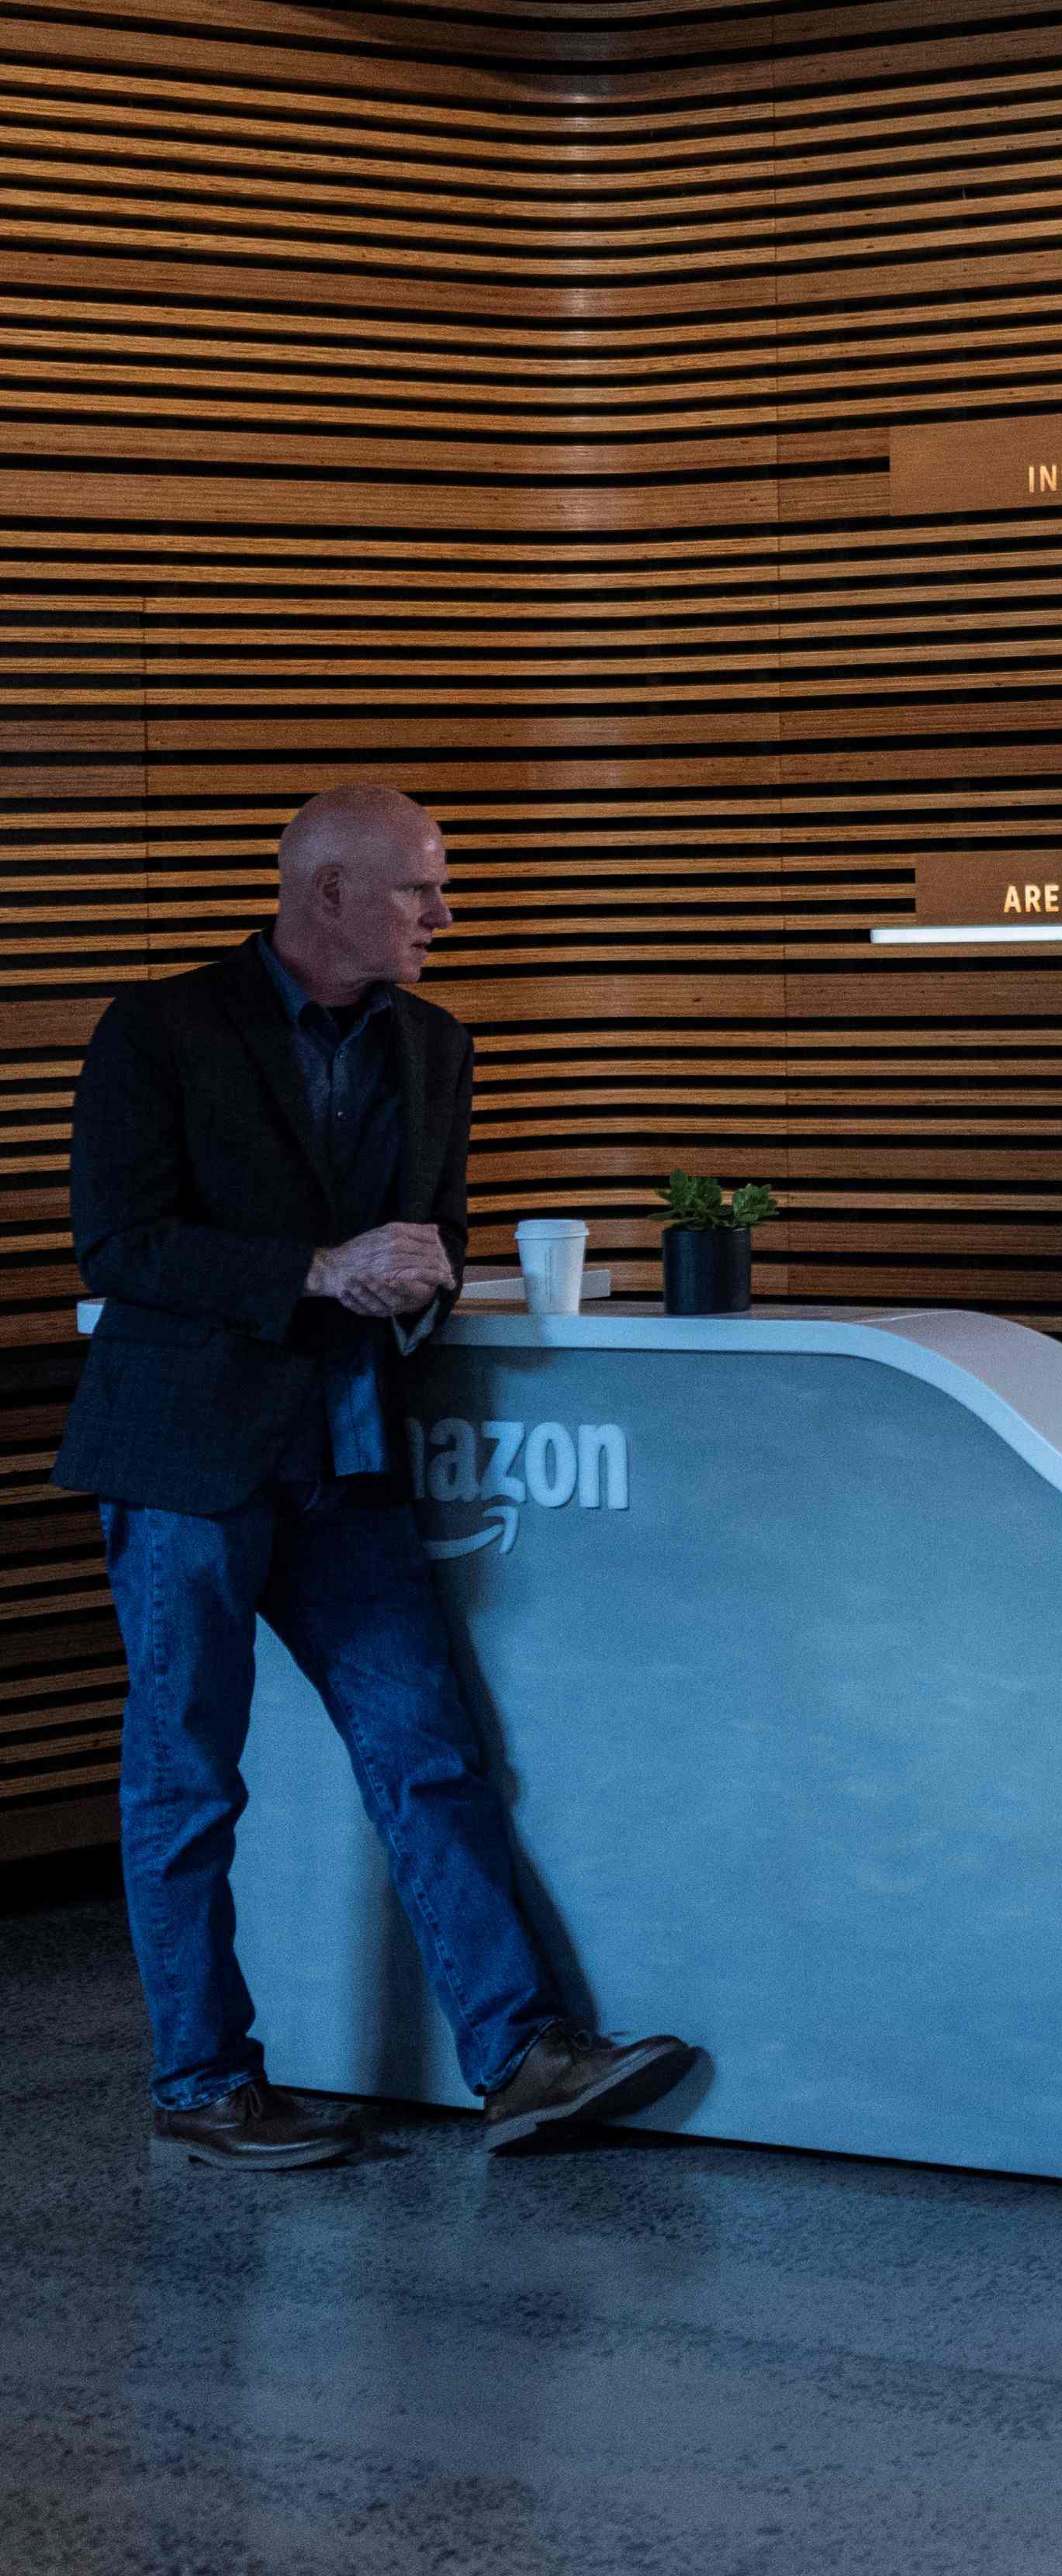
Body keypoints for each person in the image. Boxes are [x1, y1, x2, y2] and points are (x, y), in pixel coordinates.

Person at [61, 783, 698, 2172]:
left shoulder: (437, 1043)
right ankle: (201, 2079)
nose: (445, 915)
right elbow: (119, 1245)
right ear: (329, 891)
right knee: (188, 1774)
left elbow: (437, 1227)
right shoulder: (158, 1029)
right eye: (422, 889)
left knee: (429, 1755)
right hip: (187, 1458)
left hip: (348, 1456)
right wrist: (315, 1268)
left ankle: (520, 2054)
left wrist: (423, 1275)